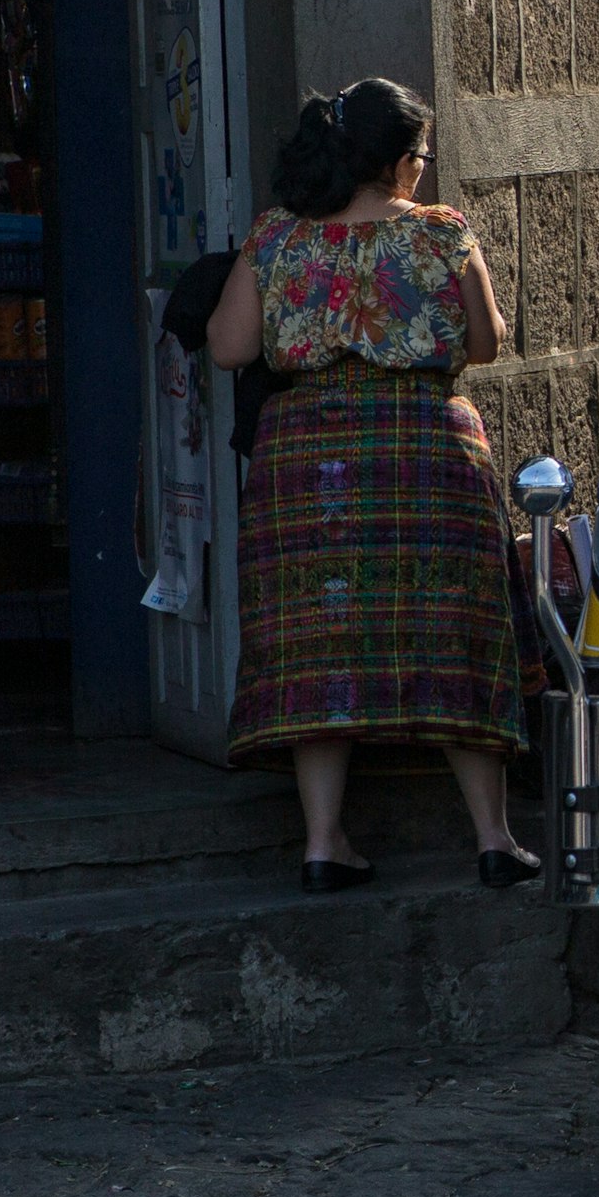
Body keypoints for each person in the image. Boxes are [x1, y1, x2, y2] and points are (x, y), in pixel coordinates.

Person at [203, 79, 532, 893]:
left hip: (310, 466)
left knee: (318, 641)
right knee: (459, 627)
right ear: (393, 160)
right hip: (426, 448)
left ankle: (322, 844)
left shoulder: (277, 237)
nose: (423, 170)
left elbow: (227, 347)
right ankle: (492, 837)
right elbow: (487, 344)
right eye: (420, 155)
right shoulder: (441, 234)